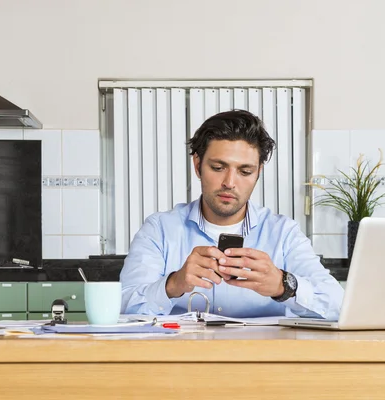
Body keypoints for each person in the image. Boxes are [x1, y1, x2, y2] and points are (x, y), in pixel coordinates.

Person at [119, 110, 344, 319]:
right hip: (184, 358)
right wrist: (173, 285)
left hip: (261, 359)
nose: (229, 183)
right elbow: (124, 307)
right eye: (218, 168)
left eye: (245, 171)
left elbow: (338, 305)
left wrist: (284, 286)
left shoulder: (283, 233)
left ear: (258, 173)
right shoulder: (159, 229)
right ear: (197, 165)